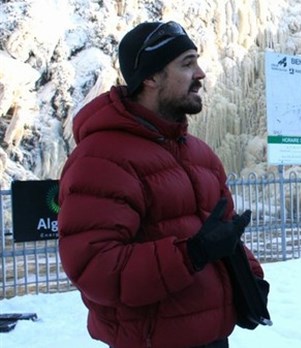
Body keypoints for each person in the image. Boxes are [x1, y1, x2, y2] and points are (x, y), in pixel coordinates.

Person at [58, 21, 268, 348]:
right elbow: (95, 269)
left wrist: (249, 278)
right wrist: (191, 254)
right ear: (151, 77)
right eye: (187, 63)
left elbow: (221, 233)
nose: (200, 74)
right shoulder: (100, 160)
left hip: (214, 337)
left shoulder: (200, 154)